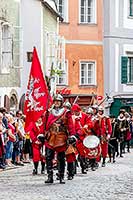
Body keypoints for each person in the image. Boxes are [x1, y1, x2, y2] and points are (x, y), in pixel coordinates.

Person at [44, 94, 76, 184]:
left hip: (61, 137)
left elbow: (70, 125)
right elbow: (44, 124)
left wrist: (72, 135)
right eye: (55, 101)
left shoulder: (66, 112)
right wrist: (42, 134)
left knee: (61, 158)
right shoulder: (49, 112)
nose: (57, 103)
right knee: (48, 156)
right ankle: (50, 176)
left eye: (58, 101)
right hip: (50, 136)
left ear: (61, 102)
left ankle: (61, 175)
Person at [71, 104, 89, 174]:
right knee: (73, 154)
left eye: (76, 111)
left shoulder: (84, 116)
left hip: (82, 138)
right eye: (74, 111)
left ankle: (83, 167)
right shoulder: (72, 117)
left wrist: (86, 125)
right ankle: (73, 169)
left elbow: (90, 123)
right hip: (73, 138)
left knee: (82, 154)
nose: (75, 113)